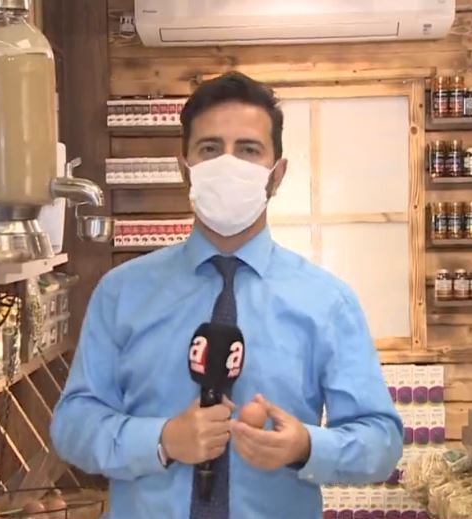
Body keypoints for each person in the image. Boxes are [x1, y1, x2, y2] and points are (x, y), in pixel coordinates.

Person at [50, 71, 403, 519]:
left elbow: (382, 442)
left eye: (249, 150)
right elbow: (73, 425)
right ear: (185, 169)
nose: (228, 164)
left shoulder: (329, 303)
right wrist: (161, 440)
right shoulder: (121, 292)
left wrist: (306, 446)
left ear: (277, 175)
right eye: (210, 149)